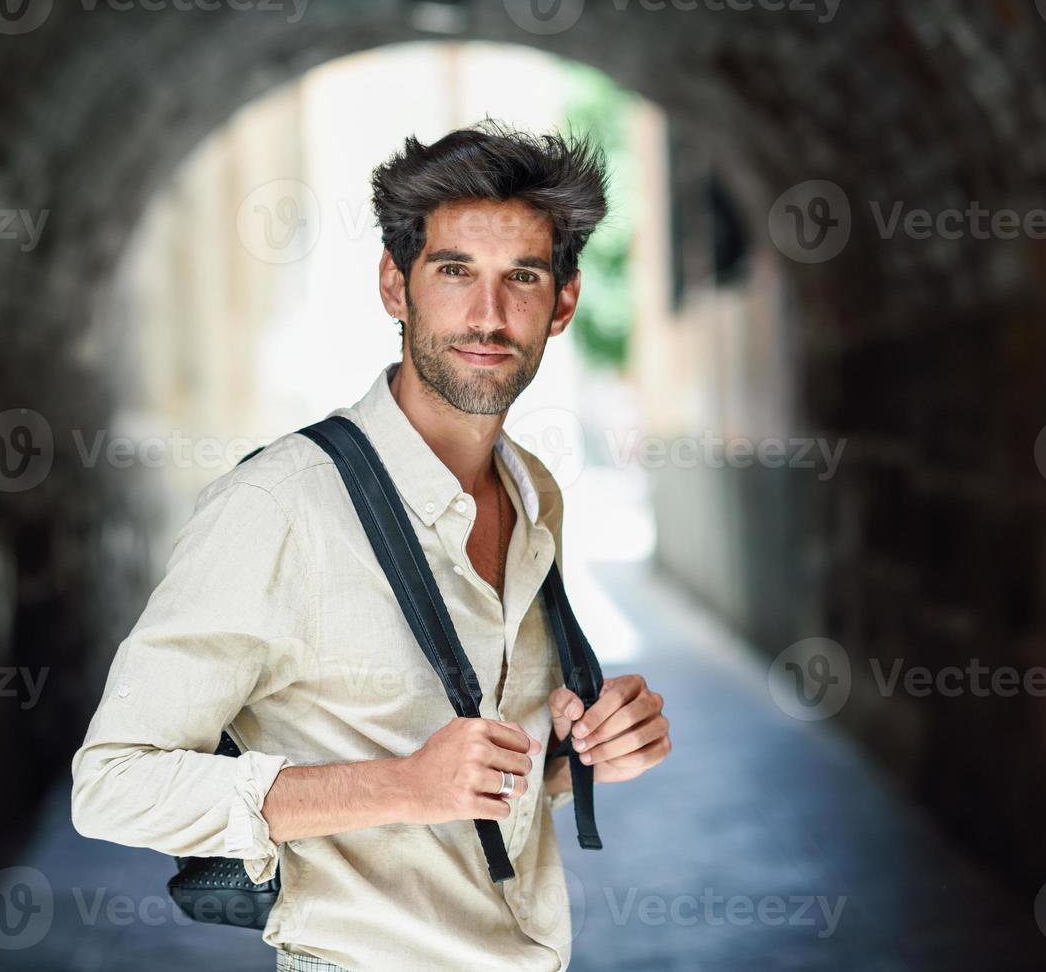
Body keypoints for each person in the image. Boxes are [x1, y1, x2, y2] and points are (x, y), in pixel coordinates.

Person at [71, 119, 671, 971]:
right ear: (396, 285)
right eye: (453, 271)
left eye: (523, 278)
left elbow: (482, 769)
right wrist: (401, 785)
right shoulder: (277, 505)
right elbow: (111, 786)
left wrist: (587, 749)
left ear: (563, 303)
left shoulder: (534, 491)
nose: (488, 315)